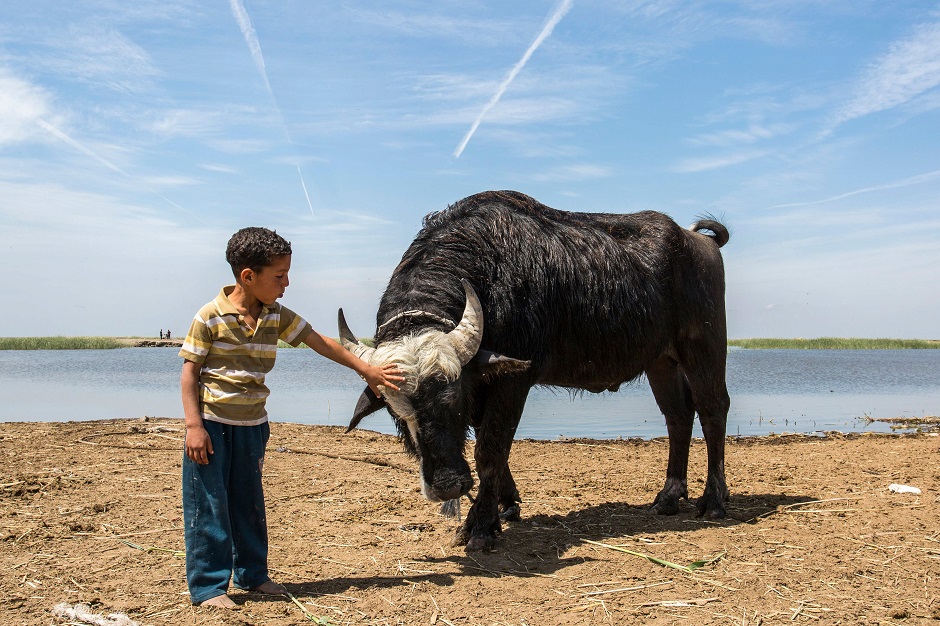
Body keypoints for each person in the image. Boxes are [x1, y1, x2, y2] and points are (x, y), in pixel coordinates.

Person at [179, 227, 403, 608]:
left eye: (287, 274)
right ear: (248, 276)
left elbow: (319, 341)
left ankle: (253, 576)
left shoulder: (276, 315)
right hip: (212, 425)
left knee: (249, 501)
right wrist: (194, 427)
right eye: (279, 276)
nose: (287, 283)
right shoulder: (210, 316)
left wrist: (364, 369)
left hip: (253, 425)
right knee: (210, 503)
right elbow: (189, 373)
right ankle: (209, 587)